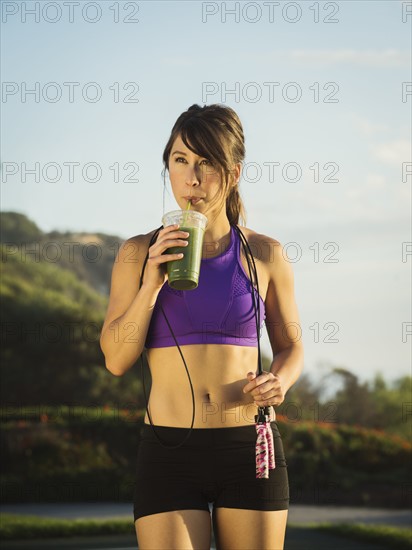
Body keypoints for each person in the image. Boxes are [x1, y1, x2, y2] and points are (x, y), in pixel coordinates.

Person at [100, 104, 304, 550]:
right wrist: (151, 284)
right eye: (180, 161)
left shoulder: (266, 254)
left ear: (232, 172)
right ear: (168, 168)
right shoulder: (137, 253)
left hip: (249, 448)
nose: (192, 178)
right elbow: (116, 359)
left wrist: (279, 381)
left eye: (206, 163)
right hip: (168, 451)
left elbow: (290, 347)